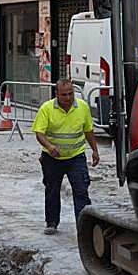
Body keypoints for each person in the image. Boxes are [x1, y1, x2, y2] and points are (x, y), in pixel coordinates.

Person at [32, 78, 100, 235]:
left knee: (81, 190)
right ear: (56, 94)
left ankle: (83, 225)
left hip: (76, 157)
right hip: (52, 159)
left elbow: (88, 130)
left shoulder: (82, 107)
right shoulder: (47, 109)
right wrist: (49, 147)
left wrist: (94, 150)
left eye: (71, 94)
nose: (68, 98)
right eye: (64, 95)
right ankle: (51, 222)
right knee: (52, 190)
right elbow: (39, 133)